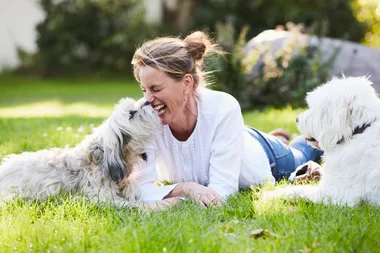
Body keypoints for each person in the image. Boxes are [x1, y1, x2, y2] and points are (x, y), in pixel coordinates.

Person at [131, 31, 323, 207]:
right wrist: (185, 188)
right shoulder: (144, 116)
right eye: (144, 90)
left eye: (156, 89)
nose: (147, 100)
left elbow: (221, 193)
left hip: (265, 155)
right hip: (232, 138)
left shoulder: (222, 107)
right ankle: (278, 137)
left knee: (303, 153)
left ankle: (289, 141)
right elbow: (139, 190)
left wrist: (173, 194)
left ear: (187, 83)